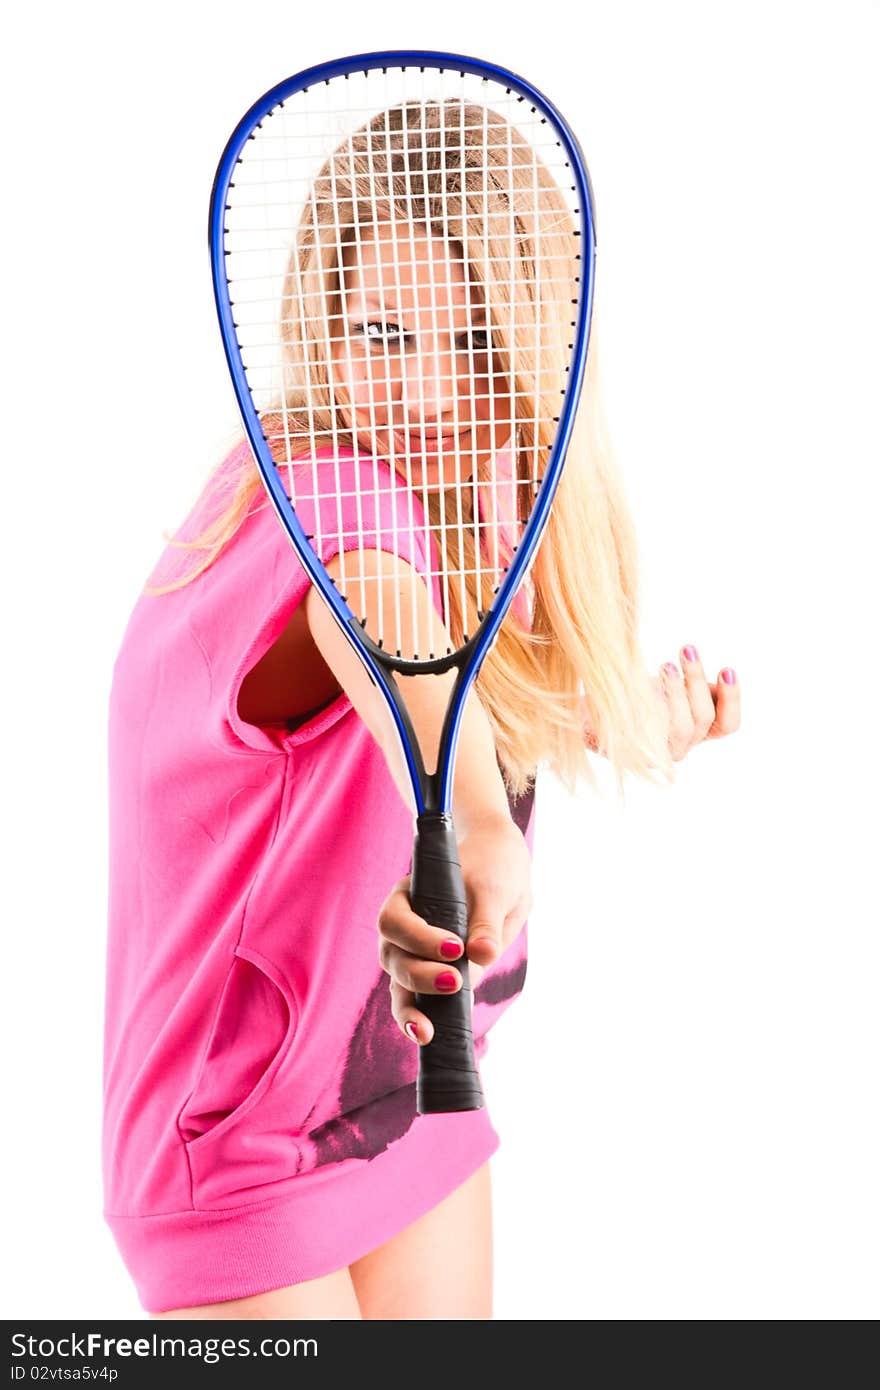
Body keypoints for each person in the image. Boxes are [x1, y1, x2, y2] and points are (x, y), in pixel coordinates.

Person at [102, 98, 740, 1321]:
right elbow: (380, 620)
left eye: (475, 345)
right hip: (232, 1147)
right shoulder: (325, 498)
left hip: (400, 1095)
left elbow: (484, 679)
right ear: (321, 323)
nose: (428, 394)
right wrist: (486, 832)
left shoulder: (478, 479)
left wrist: (627, 726)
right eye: (383, 333)